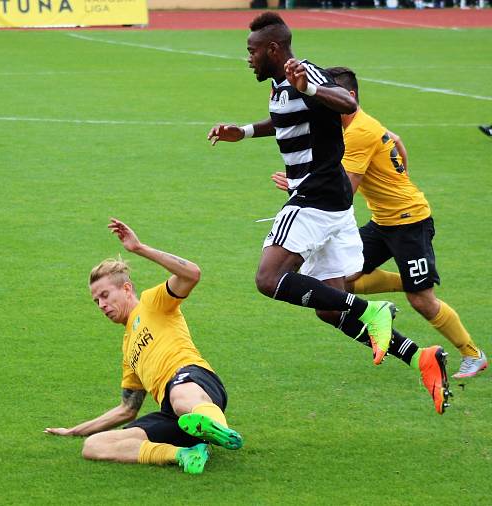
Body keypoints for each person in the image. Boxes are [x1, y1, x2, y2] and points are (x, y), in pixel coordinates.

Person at [207, 12, 451, 414]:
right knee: (328, 305)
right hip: (334, 204)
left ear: (273, 48)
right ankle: (420, 357)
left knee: (269, 279)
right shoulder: (281, 84)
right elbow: (286, 117)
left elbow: (346, 101)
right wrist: (245, 131)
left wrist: (311, 87)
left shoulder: (306, 74)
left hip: (314, 198)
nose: (247, 58)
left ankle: (371, 310)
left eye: (251, 51)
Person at [272, 67, 487, 379]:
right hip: (384, 221)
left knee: (422, 300)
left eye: (329, 97)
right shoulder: (360, 124)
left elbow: (344, 193)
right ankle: (408, 281)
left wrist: (295, 186)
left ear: (350, 97)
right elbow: (396, 140)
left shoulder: (358, 133)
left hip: (409, 222)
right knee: (343, 278)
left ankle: (473, 354)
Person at [45, 218, 243, 474]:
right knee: (94, 446)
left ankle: (218, 428)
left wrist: (139, 249)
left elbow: (192, 273)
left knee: (180, 394)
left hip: (194, 380)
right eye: (96, 302)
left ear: (126, 288)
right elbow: (127, 410)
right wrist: (74, 430)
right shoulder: (128, 348)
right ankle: (184, 454)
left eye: (105, 296)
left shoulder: (153, 302)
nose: (101, 305)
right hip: (173, 415)